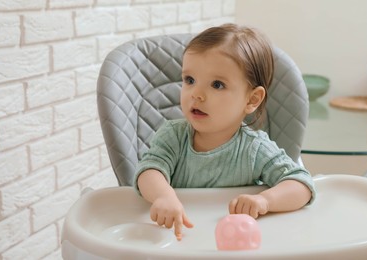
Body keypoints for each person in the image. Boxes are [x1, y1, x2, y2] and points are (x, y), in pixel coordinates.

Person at [134, 23, 316, 241]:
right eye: (189, 80)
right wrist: (163, 196)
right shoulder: (173, 136)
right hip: (179, 239)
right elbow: (149, 170)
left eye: (217, 85)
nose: (197, 94)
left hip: (232, 243)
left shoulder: (254, 149)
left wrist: (265, 201)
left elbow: (301, 185)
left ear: (251, 100)